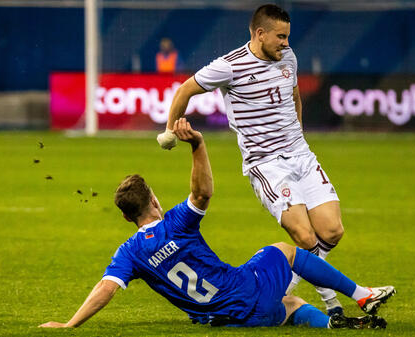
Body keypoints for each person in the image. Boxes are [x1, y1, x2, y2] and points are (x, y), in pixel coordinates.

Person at [39, 119, 393, 330]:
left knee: (290, 304)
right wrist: (198, 145)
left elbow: (106, 289)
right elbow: (203, 192)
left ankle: (332, 322)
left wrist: (70, 324)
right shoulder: (176, 223)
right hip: (243, 293)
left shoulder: (129, 253)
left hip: (221, 318)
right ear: (155, 201)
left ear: (125, 217)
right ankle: (361, 296)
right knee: (282, 251)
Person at [156, 4, 395, 315]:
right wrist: (169, 131)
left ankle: (279, 291)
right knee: (305, 236)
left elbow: (294, 96)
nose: (286, 43)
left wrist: (299, 135)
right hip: (266, 163)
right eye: (280, 36)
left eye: (288, 36)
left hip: (300, 155)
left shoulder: (288, 58)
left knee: (332, 232)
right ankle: (337, 302)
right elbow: (185, 89)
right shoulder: (229, 66)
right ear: (259, 34)